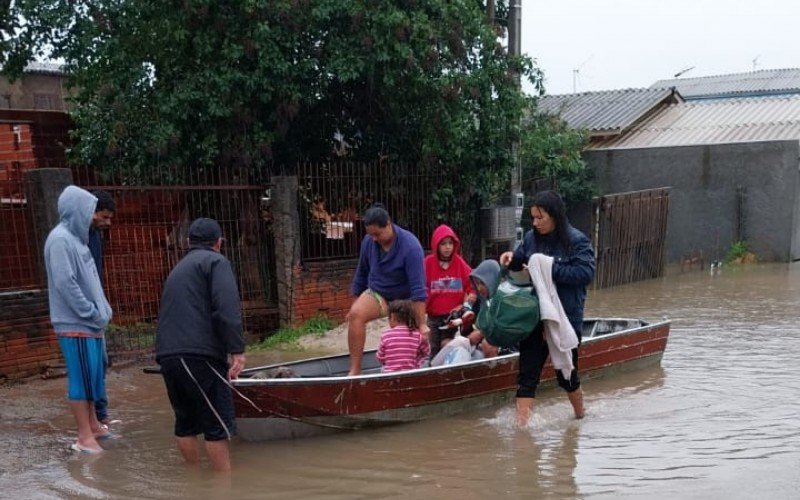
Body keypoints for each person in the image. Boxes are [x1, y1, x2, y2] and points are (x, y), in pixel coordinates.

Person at [155, 218, 246, 472]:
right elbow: (226, 309)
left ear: (188, 242)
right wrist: (237, 350)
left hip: (167, 354)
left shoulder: (179, 267)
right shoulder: (216, 261)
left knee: (185, 422)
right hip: (198, 354)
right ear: (219, 243)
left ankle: (195, 482)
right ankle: (224, 486)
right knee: (217, 424)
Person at [499, 190, 595, 427]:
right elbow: (520, 261)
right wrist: (509, 260)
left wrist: (546, 268)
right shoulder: (531, 239)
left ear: (554, 216)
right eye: (532, 218)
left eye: (539, 218)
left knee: (567, 376)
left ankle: (581, 417)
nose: (535, 223)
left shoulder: (576, 241)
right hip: (534, 317)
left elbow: (585, 273)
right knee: (527, 375)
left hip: (563, 319)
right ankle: (522, 431)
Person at [44, 185, 114, 454]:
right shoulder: (60, 240)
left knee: (94, 377)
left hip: (92, 325)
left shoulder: (78, 239)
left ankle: (94, 425)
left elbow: (91, 280)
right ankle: (84, 437)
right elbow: (65, 283)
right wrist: (90, 312)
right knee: (82, 380)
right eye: (89, 210)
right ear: (78, 210)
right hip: (77, 325)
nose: (94, 217)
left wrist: (102, 311)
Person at [346, 205, 428, 375]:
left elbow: (418, 290)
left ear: (389, 224)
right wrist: (353, 305)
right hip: (379, 294)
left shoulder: (411, 247)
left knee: (405, 335)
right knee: (355, 315)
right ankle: (354, 370)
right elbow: (361, 274)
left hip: (405, 300)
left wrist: (421, 325)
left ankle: (410, 370)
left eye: (377, 234)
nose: (374, 239)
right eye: (371, 235)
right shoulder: (369, 242)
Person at [87, 190, 117, 426]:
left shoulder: (95, 235)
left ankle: (101, 413)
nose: (108, 223)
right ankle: (96, 417)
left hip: (96, 306)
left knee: (102, 361)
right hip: (82, 312)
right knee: (91, 365)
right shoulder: (73, 238)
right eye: (104, 217)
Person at [424, 224, 475, 360]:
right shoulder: (428, 263)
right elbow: (420, 286)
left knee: (446, 346)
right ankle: (433, 375)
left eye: (450, 243)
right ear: (436, 245)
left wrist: (471, 295)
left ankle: (445, 372)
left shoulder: (459, 263)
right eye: (443, 244)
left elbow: (472, 281)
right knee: (433, 348)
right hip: (433, 317)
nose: (447, 247)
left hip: (451, 317)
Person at [376, 300, 430, 372]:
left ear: (393, 317)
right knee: (423, 363)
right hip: (411, 372)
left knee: (383, 368)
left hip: (390, 373)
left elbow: (380, 357)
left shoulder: (385, 335)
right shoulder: (417, 335)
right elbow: (426, 352)